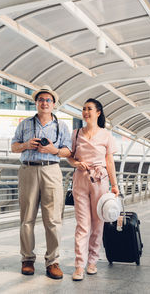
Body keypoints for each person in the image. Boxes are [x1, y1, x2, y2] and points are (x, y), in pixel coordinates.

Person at [11, 85, 72, 279]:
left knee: (53, 219)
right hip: (28, 169)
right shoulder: (25, 124)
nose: (44, 103)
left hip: (51, 170)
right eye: (41, 100)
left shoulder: (61, 126)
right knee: (27, 218)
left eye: (48, 100)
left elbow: (68, 151)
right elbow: (14, 147)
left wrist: (53, 150)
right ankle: (27, 259)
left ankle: (52, 262)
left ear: (53, 104)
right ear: (36, 103)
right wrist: (26, 145)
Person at [67, 98, 119, 281]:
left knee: (98, 223)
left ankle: (92, 262)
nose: (85, 112)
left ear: (98, 112)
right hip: (80, 180)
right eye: (83, 109)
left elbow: (110, 161)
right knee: (82, 224)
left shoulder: (106, 135)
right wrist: (76, 163)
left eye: (89, 109)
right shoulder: (76, 133)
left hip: (101, 180)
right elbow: (70, 157)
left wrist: (114, 185)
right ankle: (79, 265)